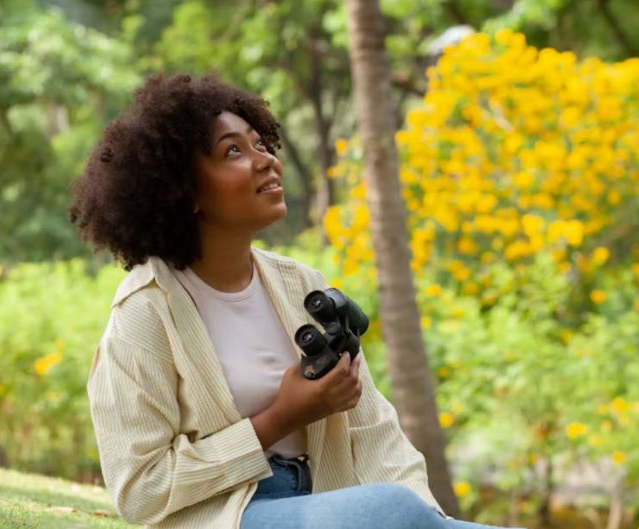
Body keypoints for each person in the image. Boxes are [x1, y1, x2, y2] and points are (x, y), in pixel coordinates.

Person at [70, 73, 515, 529]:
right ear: (185, 191)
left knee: (411, 513)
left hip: (331, 503)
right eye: (233, 151)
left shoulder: (300, 284)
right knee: (389, 512)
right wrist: (281, 417)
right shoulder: (145, 312)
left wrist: (427, 518)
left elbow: (375, 430)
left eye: (260, 144)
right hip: (230, 515)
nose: (265, 161)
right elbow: (140, 490)